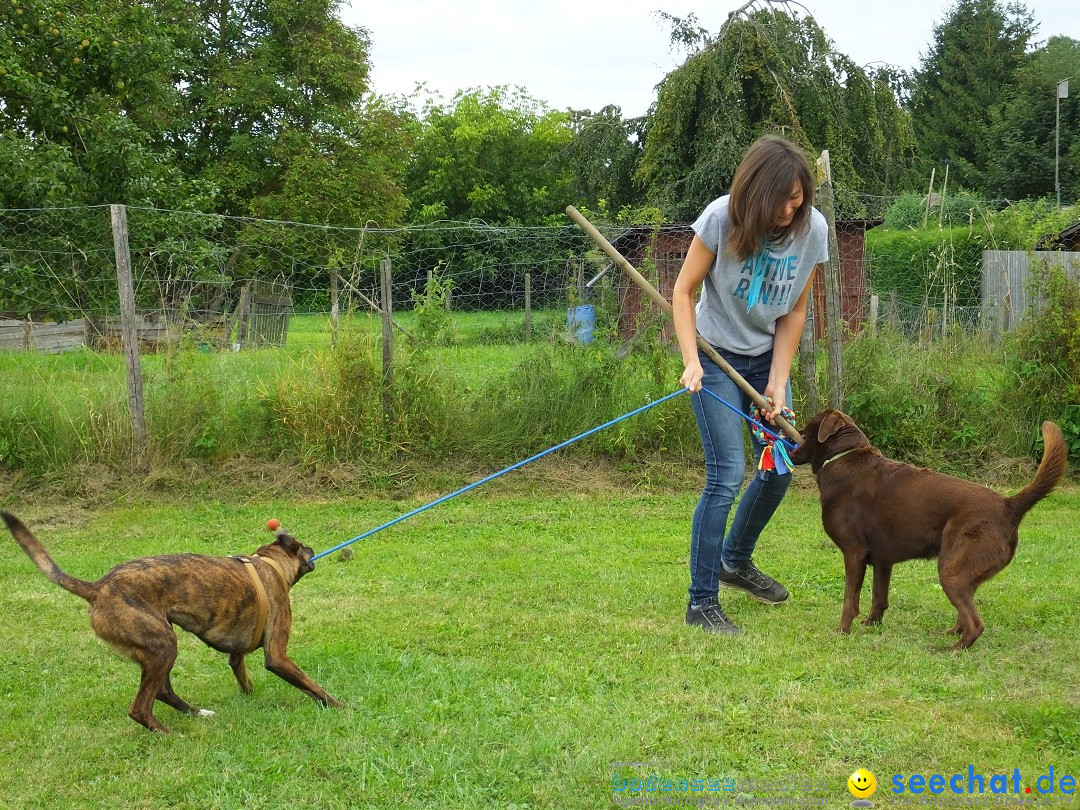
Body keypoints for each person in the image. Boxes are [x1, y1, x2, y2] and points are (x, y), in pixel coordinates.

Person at [672, 134, 828, 634]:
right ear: (754, 194)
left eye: (797, 198)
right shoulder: (721, 219)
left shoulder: (812, 230)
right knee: (726, 474)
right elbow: (682, 290)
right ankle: (701, 602)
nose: (790, 209)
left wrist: (779, 381)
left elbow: (796, 310)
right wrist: (692, 359)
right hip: (715, 355)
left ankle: (734, 561)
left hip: (764, 359)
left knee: (779, 468)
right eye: (781, 199)